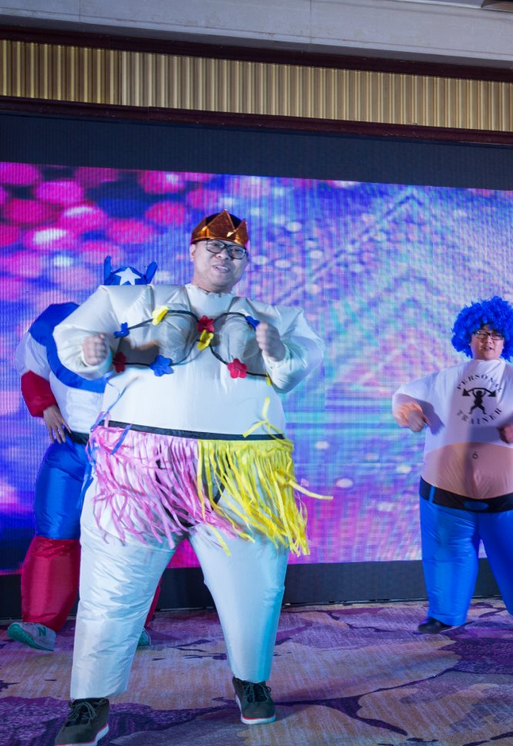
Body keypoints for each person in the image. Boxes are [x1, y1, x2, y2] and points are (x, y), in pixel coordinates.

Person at [50, 211, 325, 746]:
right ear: (192, 251)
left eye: (235, 250)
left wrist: (277, 351)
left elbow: (299, 367)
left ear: (247, 261)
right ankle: (90, 701)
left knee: (254, 581)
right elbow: (75, 340)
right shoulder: (128, 300)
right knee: (113, 583)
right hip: (141, 467)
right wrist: (92, 353)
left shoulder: (278, 317)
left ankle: (252, 681)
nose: (224, 256)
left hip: (242, 471)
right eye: (214, 247)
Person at [8, 259, 162, 653]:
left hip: (127, 458)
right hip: (69, 450)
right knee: (54, 532)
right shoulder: (62, 324)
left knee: (128, 540)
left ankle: (128, 624)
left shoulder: (161, 333)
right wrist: (45, 405)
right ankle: (41, 623)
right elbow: (32, 368)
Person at [392, 296, 513, 634]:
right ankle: (443, 614)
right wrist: (410, 412)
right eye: (480, 333)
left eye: (495, 334)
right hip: (447, 495)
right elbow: (404, 396)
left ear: (507, 339)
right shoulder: (440, 379)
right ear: (467, 337)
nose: (488, 340)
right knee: (445, 553)